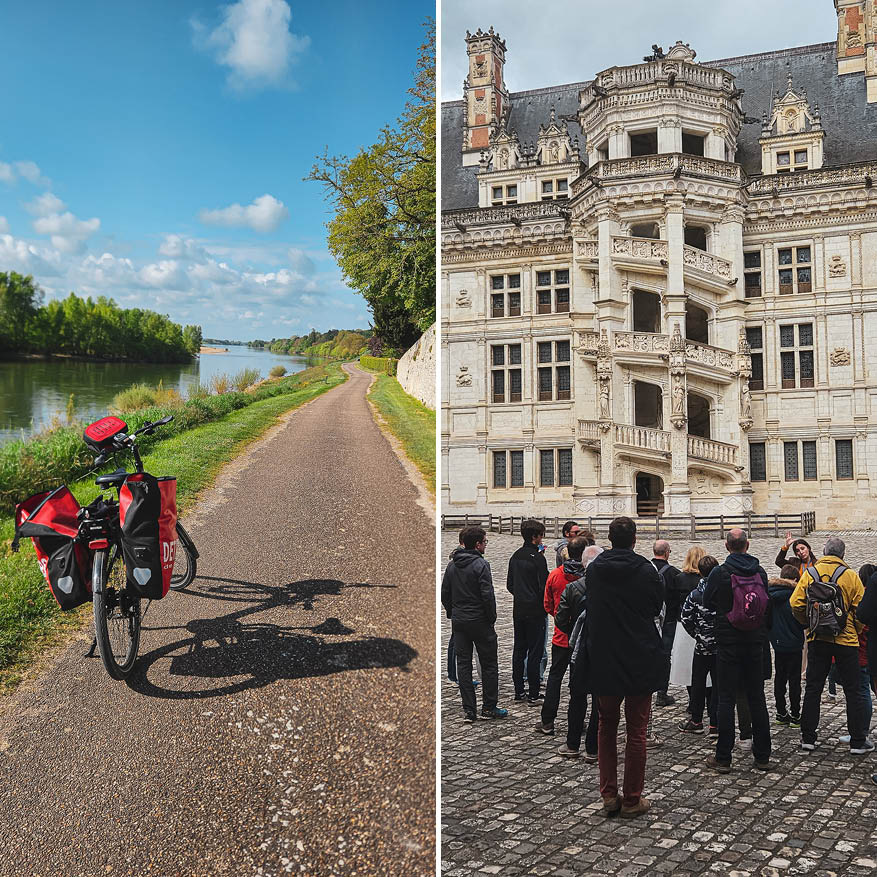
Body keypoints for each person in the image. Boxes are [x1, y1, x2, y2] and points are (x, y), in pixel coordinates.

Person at [585, 516, 667, 818]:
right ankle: (632, 798)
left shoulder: (595, 570)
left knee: (606, 726)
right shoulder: (646, 570)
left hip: (605, 656)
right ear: (634, 539)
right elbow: (653, 609)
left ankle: (608, 794)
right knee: (637, 730)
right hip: (637, 655)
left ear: (610, 538)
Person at [790, 537, 873, 754]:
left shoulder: (810, 574)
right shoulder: (851, 576)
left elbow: (796, 603)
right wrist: (852, 629)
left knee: (813, 688)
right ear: (843, 555)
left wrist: (809, 623)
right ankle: (857, 741)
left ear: (824, 552)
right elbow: (861, 610)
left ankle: (808, 738)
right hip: (846, 642)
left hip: (818, 639)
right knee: (854, 691)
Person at [702, 528, 773, 772]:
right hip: (754, 642)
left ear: (726, 546)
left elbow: (706, 600)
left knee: (726, 699)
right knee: (757, 698)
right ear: (748, 545)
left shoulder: (720, 572)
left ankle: (723, 757)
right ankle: (763, 756)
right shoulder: (760, 572)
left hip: (728, 642)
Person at [440, 526, 506, 722]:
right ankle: (489, 707)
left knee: (463, 666)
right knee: (489, 664)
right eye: (485, 542)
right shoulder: (481, 564)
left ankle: (469, 710)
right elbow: (487, 594)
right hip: (479, 620)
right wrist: (491, 617)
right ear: (477, 544)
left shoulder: (452, 565)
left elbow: (445, 594)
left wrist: (453, 613)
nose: (486, 545)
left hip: (460, 620)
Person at [536, 535, 589, 735]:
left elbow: (547, 604)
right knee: (579, 682)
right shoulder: (588, 576)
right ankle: (578, 721)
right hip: (582, 637)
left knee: (555, 678)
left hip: (561, 635)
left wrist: (561, 619)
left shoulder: (556, 575)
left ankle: (547, 721)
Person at [556, 543, 603, 760]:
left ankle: (572, 743)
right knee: (598, 699)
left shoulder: (573, 588)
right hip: (602, 646)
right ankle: (593, 748)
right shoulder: (609, 587)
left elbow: (560, 619)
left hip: (578, 648)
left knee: (577, 696)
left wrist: (574, 634)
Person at [507, 518, 550, 703]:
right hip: (535, 610)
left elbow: (510, 584)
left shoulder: (515, 556)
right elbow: (545, 586)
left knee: (519, 649)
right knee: (534, 651)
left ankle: (518, 691)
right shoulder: (538, 559)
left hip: (519, 609)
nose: (542, 539)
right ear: (534, 537)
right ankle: (533, 692)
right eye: (541, 536)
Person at [679, 554, 720, 734]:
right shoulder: (724, 592)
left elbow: (685, 618)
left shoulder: (695, 595)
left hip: (702, 648)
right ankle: (715, 722)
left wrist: (697, 635)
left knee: (698, 684)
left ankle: (696, 720)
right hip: (720, 647)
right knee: (718, 685)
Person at [768, 563, 805, 726]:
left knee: (780, 677)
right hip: (795, 643)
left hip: (777, 642)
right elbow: (803, 620)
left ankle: (781, 712)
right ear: (796, 579)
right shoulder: (796, 595)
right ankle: (796, 713)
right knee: (794, 680)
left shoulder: (770, 594)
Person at [671, 546, 706, 715]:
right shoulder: (706, 579)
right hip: (704, 625)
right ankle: (706, 699)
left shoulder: (679, 578)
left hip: (684, 626)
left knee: (688, 667)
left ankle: (693, 701)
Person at [651, 539, 683, 707]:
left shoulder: (644, 570)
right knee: (665, 655)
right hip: (669, 620)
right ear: (667, 553)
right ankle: (661, 693)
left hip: (648, 619)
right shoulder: (675, 574)